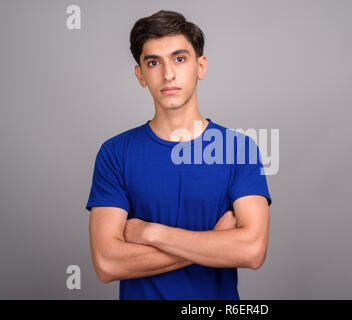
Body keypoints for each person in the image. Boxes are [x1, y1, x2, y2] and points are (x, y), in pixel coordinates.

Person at [85, 10, 272, 300]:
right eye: (153, 62)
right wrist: (215, 241)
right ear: (141, 75)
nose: (168, 73)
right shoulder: (115, 153)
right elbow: (107, 263)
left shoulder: (239, 150)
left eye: (180, 58)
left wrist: (150, 233)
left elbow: (252, 251)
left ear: (201, 66)